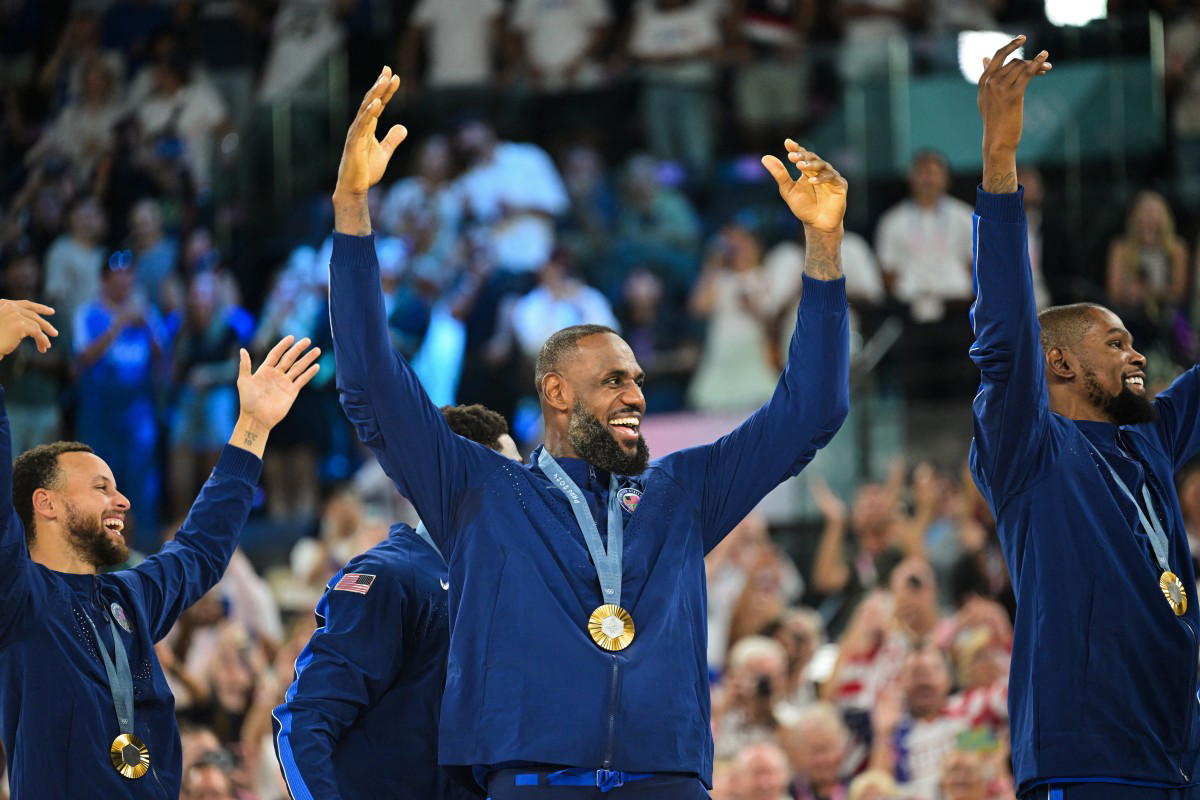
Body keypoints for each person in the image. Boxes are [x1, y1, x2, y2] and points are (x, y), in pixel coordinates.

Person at [328, 67, 849, 798]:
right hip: (534, 783)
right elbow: (371, 386)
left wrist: (823, 250)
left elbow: (812, 413)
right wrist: (353, 208)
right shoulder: (480, 490)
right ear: (555, 392)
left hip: (665, 783)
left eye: (636, 379)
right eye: (614, 381)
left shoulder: (682, 493)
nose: (635, 395)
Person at [969, 36, 1200, 798]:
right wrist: (1000, 164)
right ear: (1061, 364)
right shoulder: (1028, 446)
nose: (1137, 356)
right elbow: (1005, 333)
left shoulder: (1153, 436)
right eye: (1116, 342)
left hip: (1180, 758)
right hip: (1087, 759)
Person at [0, 297, 320, 800]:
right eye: (101, 487)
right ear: (47, 504)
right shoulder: (18, 594)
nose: (121, 500)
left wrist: (252, 427)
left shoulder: (128, 599)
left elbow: (201, 550)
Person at [272, 404, 520, 800]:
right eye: (510, 473)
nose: (524, 490)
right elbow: (304, 721)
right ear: (458, 478)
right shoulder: (390, 577)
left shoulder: (507, 584)